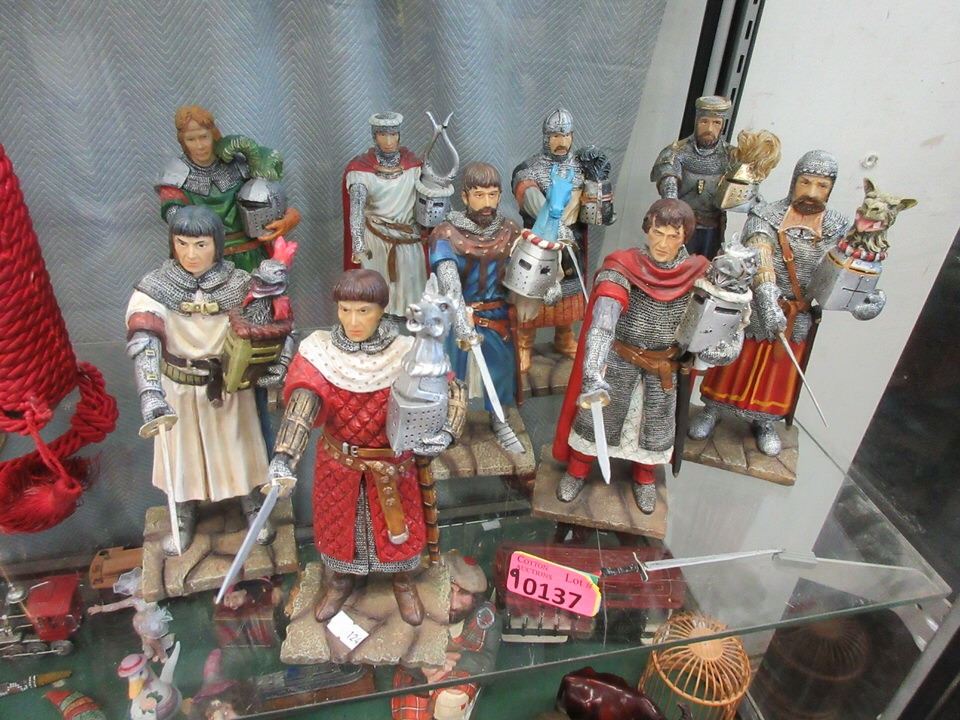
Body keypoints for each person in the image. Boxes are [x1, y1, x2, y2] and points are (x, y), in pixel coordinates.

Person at [267, 269, 458, 626]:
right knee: (339, 527)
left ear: (382, 310)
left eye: (363, 311)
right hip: (339, 463)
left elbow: (449, 391)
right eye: (345, 310)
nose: (353, 321)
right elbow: (302, 405)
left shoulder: (406, 351)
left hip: (393, 464)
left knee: (399, 530)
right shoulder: (320, 352)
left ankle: (402, 581)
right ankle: (340, 581)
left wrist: (446, 431)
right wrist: (284, 456)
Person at [553, 199, 744, 514]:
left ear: (685, 237)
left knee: (655, 427)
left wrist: (720, 342)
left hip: (663, 367)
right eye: (658, 233)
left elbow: (720, 320)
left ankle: (644, 477)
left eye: (673, 236)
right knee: (597, 421)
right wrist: (593, 371)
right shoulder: (623, 267)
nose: (663, 244)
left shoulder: (699, 273)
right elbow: (603, 323)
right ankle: (577, 470)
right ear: (647, 229)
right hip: (619, 362)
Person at [126, 207, 280, 554]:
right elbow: (144, 339)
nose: (190, 254)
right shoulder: (155, 288)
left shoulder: (239, 284)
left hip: (228, 386)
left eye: (200, 244)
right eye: (182, 243)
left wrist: (270, 295)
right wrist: (151, 393)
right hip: (177, 389)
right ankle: (182, 510)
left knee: (239, 448)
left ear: (217, 244)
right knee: (182, 456)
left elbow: (266, 326)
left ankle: (251, 502)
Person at [692, 150, 863, 456]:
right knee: (732, 364)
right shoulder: (766, 216)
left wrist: (860, 299)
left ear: (831, 188)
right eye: (806, 182)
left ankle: (765, 422)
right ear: (794, 181)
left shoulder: (838, 228)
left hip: (799, 314)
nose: (812, 192)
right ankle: (712, 409)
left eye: (822, 185)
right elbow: (761, 257)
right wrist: (768, 301)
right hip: (757, 309)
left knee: (776, 374)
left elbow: (842, 271)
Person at [511, 108, 616, 372]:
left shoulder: (581, 168)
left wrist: (600, 183)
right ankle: (524, 342)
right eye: (556, 136)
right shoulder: (529, 169)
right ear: (546, 137)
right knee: (533, 289)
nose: (562, 141)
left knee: (569, 291)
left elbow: (597, 214)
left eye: (566, 135)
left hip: (573, 241)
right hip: (540, 240)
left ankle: (563, 337)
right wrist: (553, 223)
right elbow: (531, 200)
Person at [430, 162, 524, 453]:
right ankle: (449, 422)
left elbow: (524, 271)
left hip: (496, 315)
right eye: (479, 194)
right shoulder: (446, 234)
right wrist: (461, 321)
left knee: (500, 369)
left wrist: (542, 288)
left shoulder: (509, 230)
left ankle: (499, 420)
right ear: (465, 196)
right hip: (457, 315)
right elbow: (449, 284)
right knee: (451, 373)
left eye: (492, 195)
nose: (486, 202)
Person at [156, 105, 300, 273]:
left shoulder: (240, 166)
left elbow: (273, 200)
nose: (199, 145)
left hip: (250, 255)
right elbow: (180, 225)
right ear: (182, 141)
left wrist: (289, 218)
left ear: (213, 135)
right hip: (206, 261)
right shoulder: (175, 177)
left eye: (203, 137)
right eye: (191, 139)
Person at [391, 553, 501, 720]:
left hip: (461, 682)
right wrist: (422, 668)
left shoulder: (487, 618)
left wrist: (452, 660)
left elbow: (488, 666)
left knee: (451, 702)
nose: (453, 604)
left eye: (464, 594)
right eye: (448, 591)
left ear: (475, 597)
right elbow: (398, 652)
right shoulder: (415, 610)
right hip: (418, 682)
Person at [343, 112, 426, 317]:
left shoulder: (415, 166)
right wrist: (358, 243)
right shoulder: (360, 171)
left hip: (409, 241)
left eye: (393, 135)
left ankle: (412, 329)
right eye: (382, 135)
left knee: (413, 299)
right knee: (376, 294)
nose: (388, 141)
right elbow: (356, 211)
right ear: (375, 136)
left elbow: (429, 199)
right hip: (376, 241)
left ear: (399, 135)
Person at [650, 95, 734, 259]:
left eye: (716, 123)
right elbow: (669, 182)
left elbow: (744, 190)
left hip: (713, 228)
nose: (709, 128)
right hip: (680, 226)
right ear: (696, 121)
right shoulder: (676, 152)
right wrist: (673, 207)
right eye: (704, 122)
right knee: (674, 264)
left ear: (723, 125)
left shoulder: (731, 156)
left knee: (707, 266)